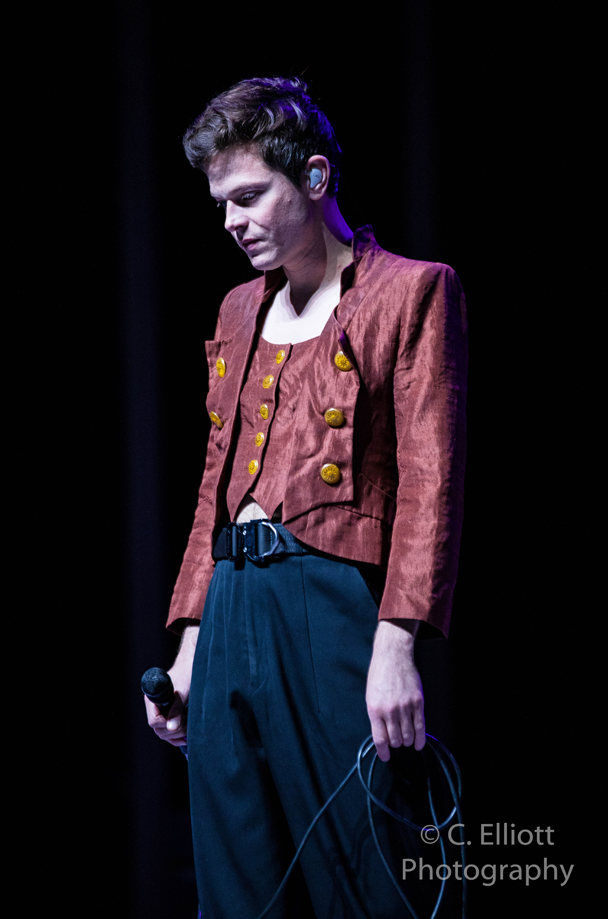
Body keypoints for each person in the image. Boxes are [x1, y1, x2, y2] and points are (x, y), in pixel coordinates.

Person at [145, 76, 468, 918]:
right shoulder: (236, 308)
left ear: (315, 177)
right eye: (221, 203)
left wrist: (396, 643)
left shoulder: (410, 291)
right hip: (230, 607)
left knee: (362, 869)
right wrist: (188, 644)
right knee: (237, 883)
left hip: (331, 605)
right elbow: (214, 487)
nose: (231, 220)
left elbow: (430, 481)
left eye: (249, 196)